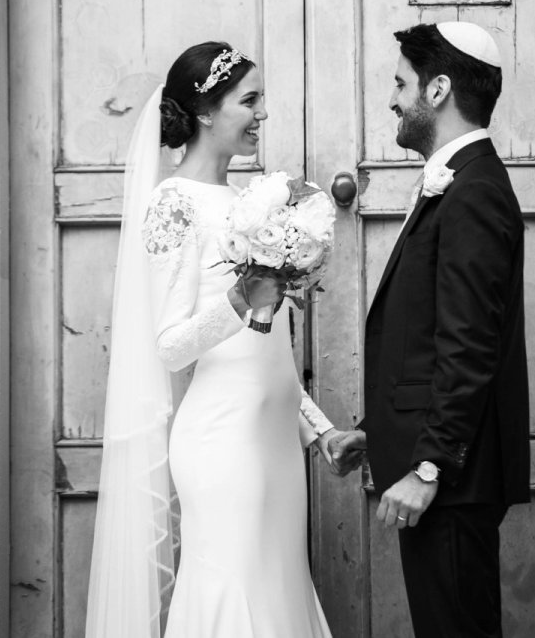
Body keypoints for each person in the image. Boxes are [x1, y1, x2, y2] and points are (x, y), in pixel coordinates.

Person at [86, 42, 340, 638]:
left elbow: (262, 351)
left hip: (275, 444)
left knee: (279, 594)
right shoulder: (173, 204)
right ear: (205, 111)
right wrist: (238, 299)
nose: (263, 114)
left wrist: (321, 431)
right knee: (235, 600)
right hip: (223, 443)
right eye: (249, 101)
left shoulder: (252, 205)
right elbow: (171, 346)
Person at [331, 22, 530, 638]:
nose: (392, 98)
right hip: (441, 470)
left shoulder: (473, 192)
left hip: (450, 482)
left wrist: (428, 469)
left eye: (400, 83)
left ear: (438, 88)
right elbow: (430, 338)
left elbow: (469, 348)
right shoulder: (460, 182)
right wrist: (380, 433)